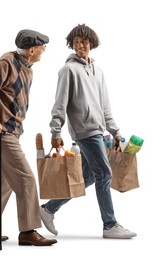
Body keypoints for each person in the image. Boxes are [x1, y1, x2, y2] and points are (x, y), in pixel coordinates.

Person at [40, 24, 137, 239]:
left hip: (101, 132)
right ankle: (109, 225)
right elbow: (60, 103)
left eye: (84, 41)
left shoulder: (98, 72)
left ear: (91, 43)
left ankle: (48, 209)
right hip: (85, 131)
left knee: (89, 175)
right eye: (75, 42)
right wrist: (55, 132)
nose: (80, 45)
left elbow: (105, 107)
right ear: (71, 44)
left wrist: (115, 131)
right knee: (105, 173)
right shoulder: (68, 70)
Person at [0, 29, 57, 246]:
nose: (43, 51)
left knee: (4, 181)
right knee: (26, 179)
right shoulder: (7, 63)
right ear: (31, 50)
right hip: (0, 132)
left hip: (12, 132)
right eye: (41, 48)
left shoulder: (27, 67)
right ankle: (28, 231)